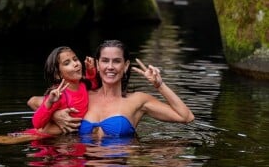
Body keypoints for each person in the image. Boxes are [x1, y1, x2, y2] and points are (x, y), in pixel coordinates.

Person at [28, 39, 194, 138]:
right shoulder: (85, 95)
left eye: (116, 61)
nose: (110, 67)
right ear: (98, 65)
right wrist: (56, 114)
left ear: (126, 65)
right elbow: (34, 102)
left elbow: (185, 117)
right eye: (105, 61)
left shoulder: (137, 100)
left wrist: (159, 85)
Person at [0, 46, 98, 144]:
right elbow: (37, 123)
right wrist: (49, 102)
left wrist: (91, 71)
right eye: (67, 63)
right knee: (6, 141)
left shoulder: (83, 84)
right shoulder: (59, 95)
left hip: (61, 139)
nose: (75, 63)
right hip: (42, 136)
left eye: (75, 59)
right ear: (58, 75)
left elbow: (93, 85)